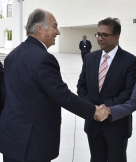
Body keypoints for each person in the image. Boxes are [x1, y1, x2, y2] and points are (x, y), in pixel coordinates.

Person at [0, 9, 106, 162]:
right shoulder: (44, 59)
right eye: (54, 26)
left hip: (10, 139)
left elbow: (6, 94)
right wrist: (94, 110)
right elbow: (63, 96)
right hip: (33, 143)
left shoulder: (12, 55)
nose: (58, 32)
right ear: (39, 28)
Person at [77, 17, 136, 162]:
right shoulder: (90, 58)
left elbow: (129, 92)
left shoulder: (130, 61)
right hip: (93, 124)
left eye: (105, 35)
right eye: (98, 34)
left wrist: (106, 109)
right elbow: (81, 87)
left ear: (117, 37)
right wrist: (94, 109)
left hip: (116, 125)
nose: (100, 38)